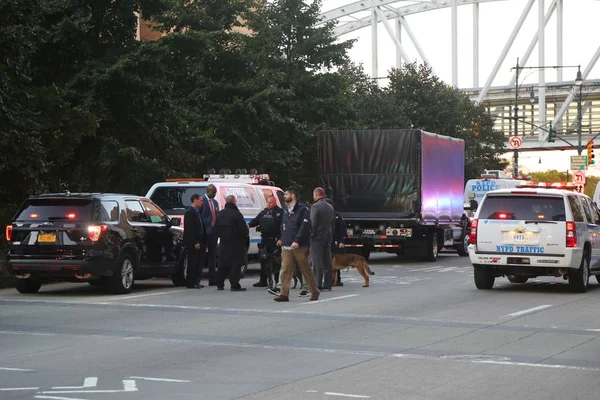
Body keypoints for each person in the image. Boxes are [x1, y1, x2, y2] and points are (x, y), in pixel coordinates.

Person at [274, 187, 319, 302]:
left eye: (286, 194)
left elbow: (305, 226)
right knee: (286, 269)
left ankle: (314, 291)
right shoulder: (285, 209)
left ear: (293, 196)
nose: (284, 196)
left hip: (299, 245)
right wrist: (282, 238)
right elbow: (284, 225)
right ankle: (284, 294)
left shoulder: (303, 209)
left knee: (305, 269)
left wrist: (297, 240)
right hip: (287, 243)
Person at [215, 195, 249, 291]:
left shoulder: (220, 214)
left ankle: (220, 284)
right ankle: (234, 284)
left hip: (223, 243)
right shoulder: (237, 214)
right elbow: (243, 229)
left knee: (223, 264)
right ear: (234, 201)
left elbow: (216, 228)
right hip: (236, 243)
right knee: (235, 264)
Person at [248, 196, 283, 288]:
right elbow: (255, 221)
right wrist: (248, 225)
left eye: (271, 202)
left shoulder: (280, 213)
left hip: (275, 240)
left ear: (275, 202)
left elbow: (284, 227)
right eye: (267, 202)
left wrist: (281, 238)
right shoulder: (264, 212)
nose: (269, 204)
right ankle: (263, 280)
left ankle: (277, 281)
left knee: (276, 261)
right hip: (264, 239)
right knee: (263, 260)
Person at [310, 188, 335, 291]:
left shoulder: (315, 206)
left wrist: (311, 234)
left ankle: (317, 284)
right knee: (327, 261)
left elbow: (313, 222)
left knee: (317, 262)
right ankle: (328, 284)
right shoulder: (330, 207)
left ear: (316, 194)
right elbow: (332, 223)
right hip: (327, 236)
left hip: (317, 238)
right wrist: (331, 235)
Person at [183, 194, 206, 289]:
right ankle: (191, 282)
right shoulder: (190, 212)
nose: (202, 202)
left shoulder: (197, 212)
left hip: (200, 240)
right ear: (195, 200)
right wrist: (195, 242)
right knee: (193, 262)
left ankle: (197, 281)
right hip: (193, 241)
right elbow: (190, 229)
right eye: (200, 200)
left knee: (199, 262)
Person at [324, 198, 348, 286]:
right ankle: (329, 279)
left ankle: (337, 279)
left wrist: (342, 241)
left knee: (336, 262)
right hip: (326, 241)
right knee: (327, 261)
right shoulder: (324, 215)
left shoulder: (337, 216)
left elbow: (343, 230)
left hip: (336, 241)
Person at [200, 184, 219, 286]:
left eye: (215, 192)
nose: (214, 194)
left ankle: (212, 278)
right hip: (205, 231)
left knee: (212, 255)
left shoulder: (215, 203)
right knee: (202, 255)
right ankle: (198, 278)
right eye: (213, 192)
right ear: (208, 191)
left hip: (214, 231)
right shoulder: (202, 201)